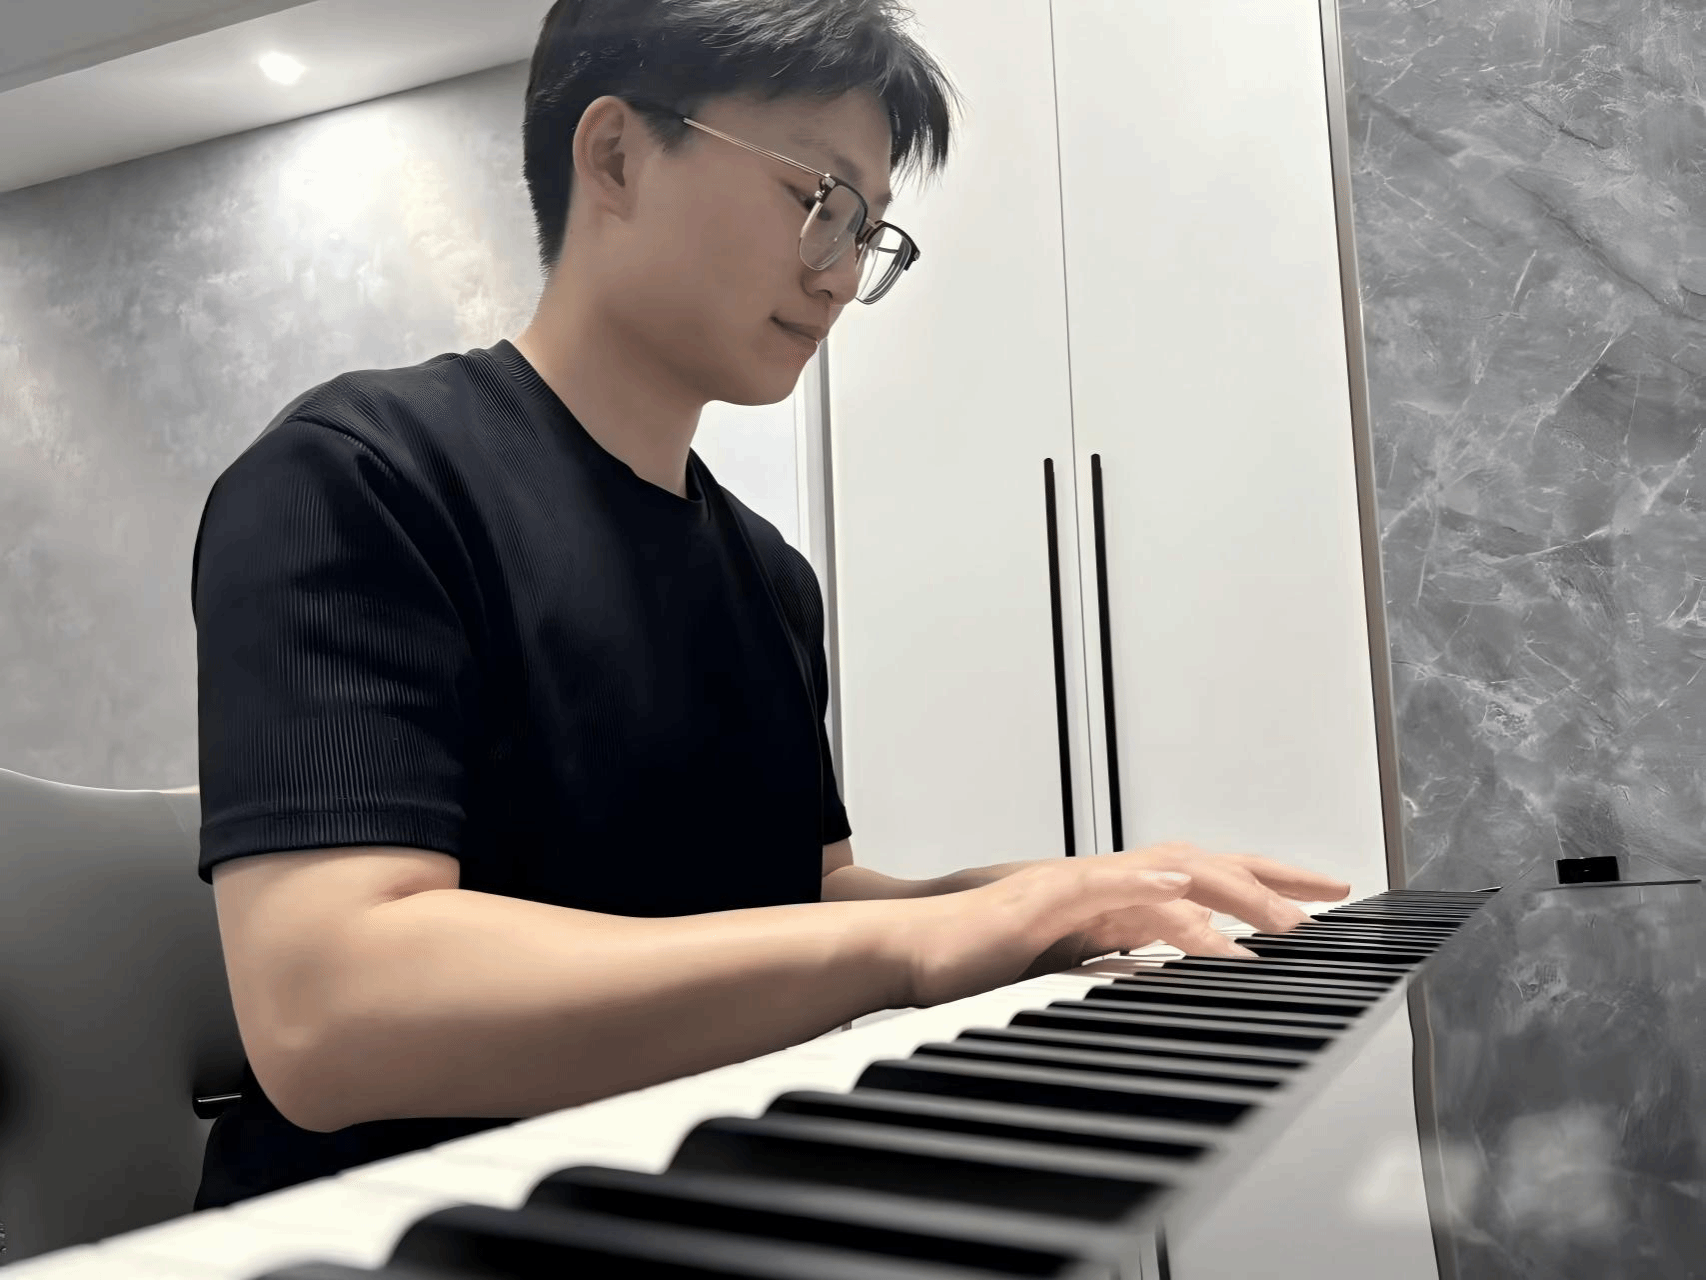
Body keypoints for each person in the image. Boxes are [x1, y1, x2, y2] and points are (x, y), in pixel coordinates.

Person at [190, 0, 1351, 1210]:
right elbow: (327, 1007)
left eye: (869, 230)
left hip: (694, 1190)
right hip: (397, 1226)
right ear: (615, 155)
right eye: (818, 198)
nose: (840, 274)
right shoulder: (359, 476)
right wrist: (908, 945)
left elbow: (808, 896)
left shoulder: (766, 571)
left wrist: (1052, 903)